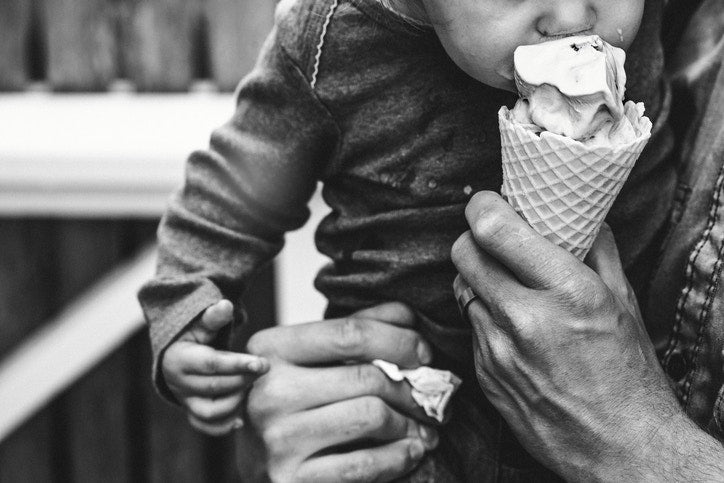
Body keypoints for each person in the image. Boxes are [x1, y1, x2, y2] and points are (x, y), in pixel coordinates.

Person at [138, 0, 679, 480]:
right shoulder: (329, 42)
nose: (570, 17)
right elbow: (233, 193)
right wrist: (186, 311)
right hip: (406, 419)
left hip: (637, 404)